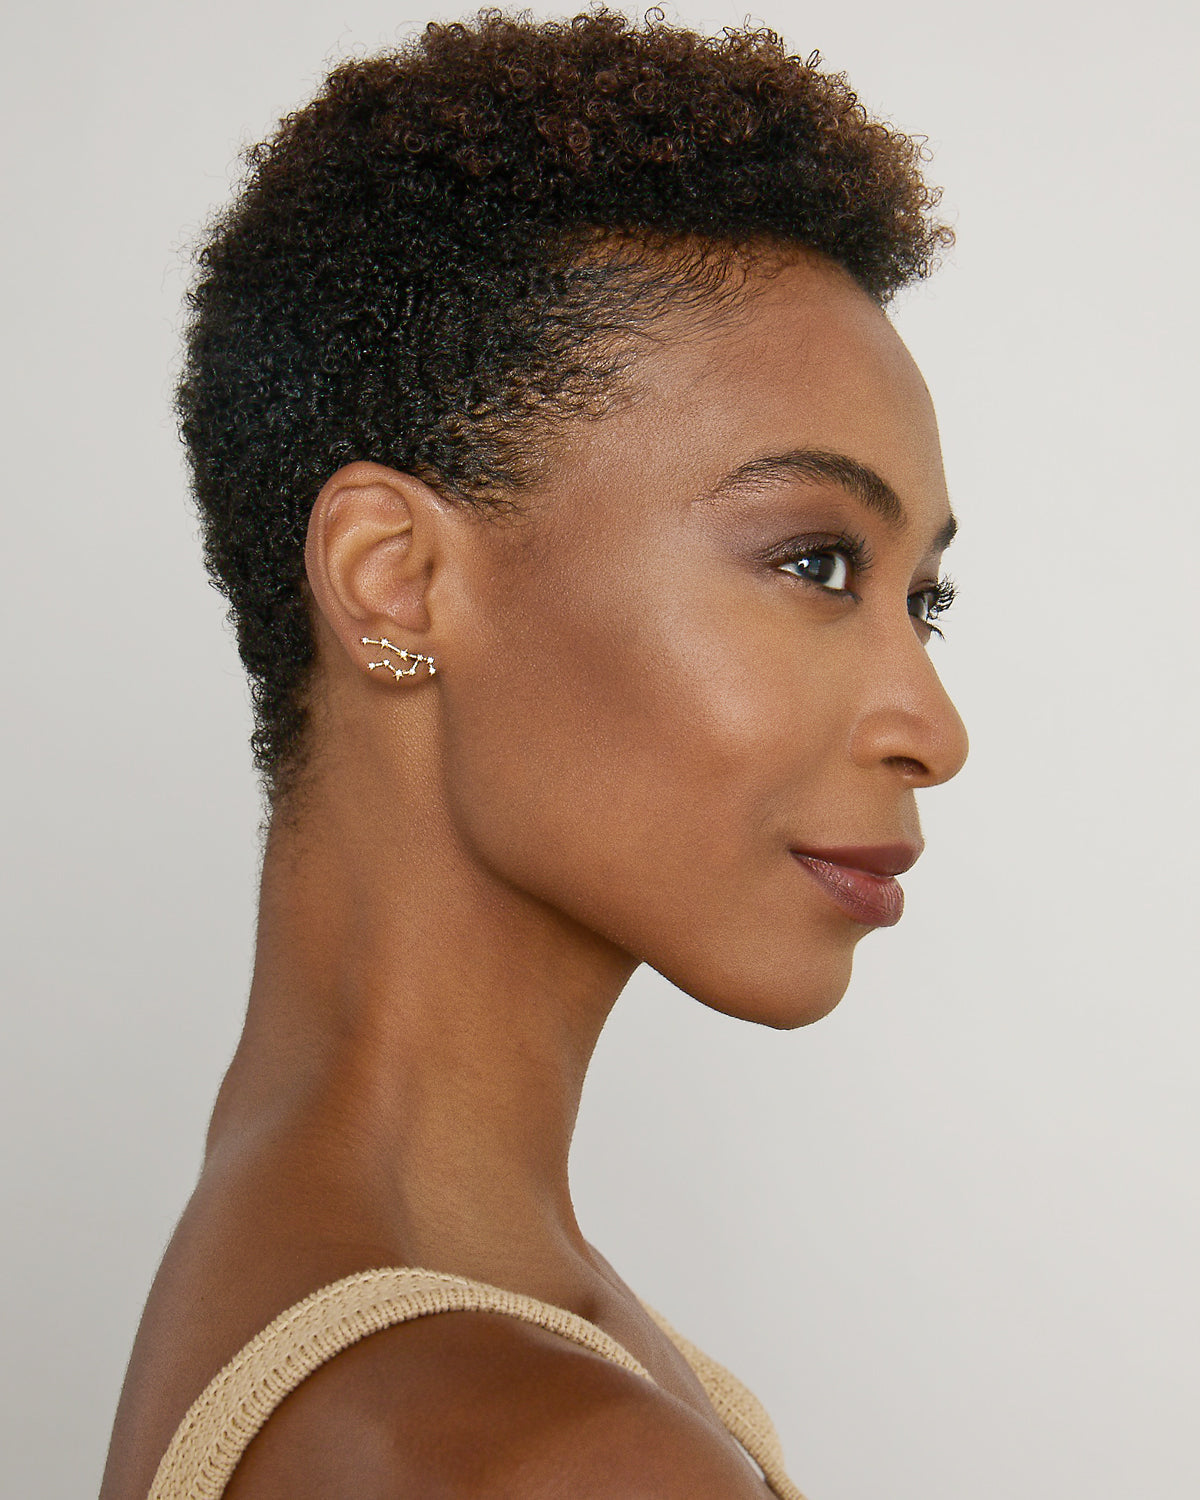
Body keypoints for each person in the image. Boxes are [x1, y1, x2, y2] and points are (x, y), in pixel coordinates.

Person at [99, 8, 968, 1497]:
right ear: (395, 578)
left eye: (923, 600)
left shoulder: (278, 1283)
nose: (933, 731)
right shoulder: (561, 1455)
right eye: (815, 563)